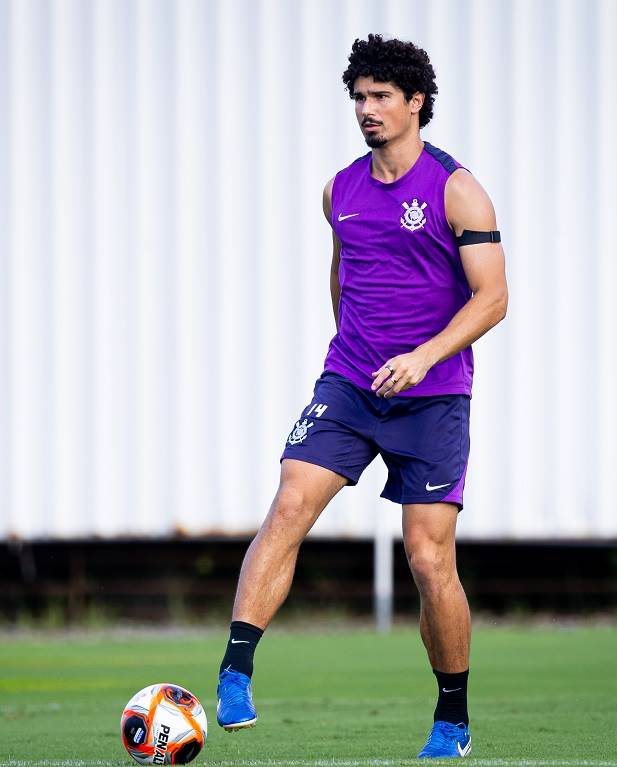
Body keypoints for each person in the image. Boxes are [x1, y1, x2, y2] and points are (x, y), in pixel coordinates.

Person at [215, 33, 508, 759]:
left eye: (380, 97)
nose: (366, 109)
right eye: (358, 96)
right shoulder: (338, 189)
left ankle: (451, 718)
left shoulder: (455, 188)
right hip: (349, 383)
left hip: (433, 394)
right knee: (288, 500)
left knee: (426, 557)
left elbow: (493, 297)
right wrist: (355, 353)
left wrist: (423, 355)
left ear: (415, 103)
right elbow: (342, 279)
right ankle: (235, 670)